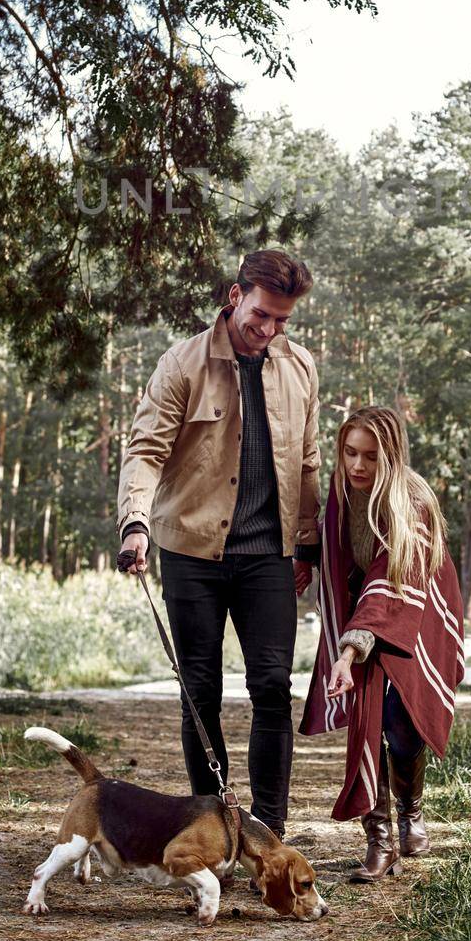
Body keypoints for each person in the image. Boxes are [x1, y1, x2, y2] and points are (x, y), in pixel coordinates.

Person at [117, 249, 320, 837]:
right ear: (236, 296)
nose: (269, 329)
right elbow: (146, 451)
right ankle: (215, 829)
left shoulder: (300, 367)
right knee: (199, 691)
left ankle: (269, 832)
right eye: (261, 315)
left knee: (272, 689)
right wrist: (136, 525)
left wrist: (305, 546)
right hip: (192, 554)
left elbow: (306, 462)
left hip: (268, 557)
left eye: (282, 320)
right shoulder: (182, 364)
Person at [298, 406, 465, 881]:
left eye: (370, 457)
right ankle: (381, 840)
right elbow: (332, 547)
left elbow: (390, 580)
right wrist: (305, 562)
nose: (357, 466)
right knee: (367, 714)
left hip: (417, 607)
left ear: (390, 457)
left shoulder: (411, 502)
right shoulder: (339, 493)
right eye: (349, 453)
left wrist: (348, 650)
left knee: (403, 720)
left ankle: (411, 814)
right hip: (365, 608)